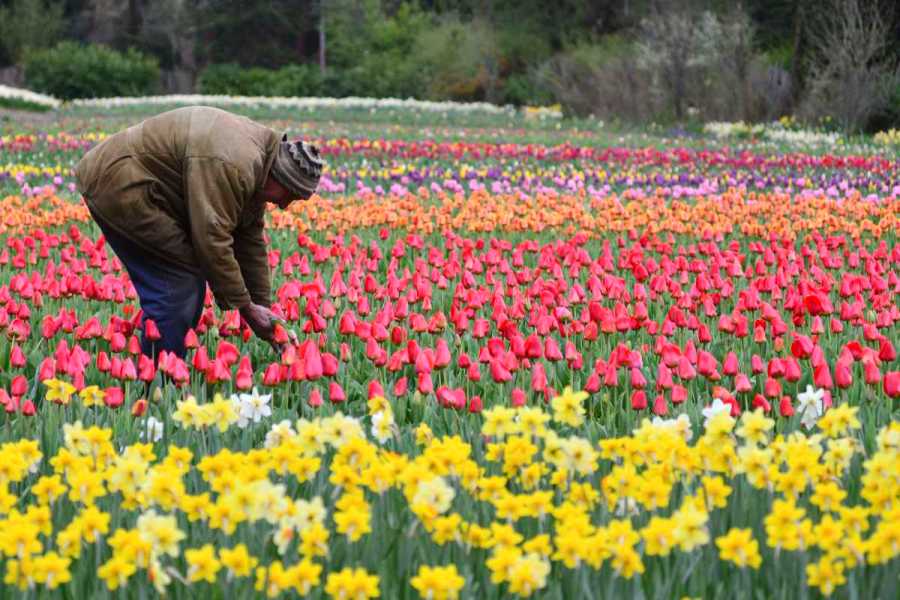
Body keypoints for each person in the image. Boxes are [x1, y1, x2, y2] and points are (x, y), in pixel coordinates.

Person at [74, 105, 323, 358]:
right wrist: (247, 308)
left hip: (140, 185)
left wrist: (264, 311)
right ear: (279, 177)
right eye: (290, 195)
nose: (284, 205)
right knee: (178, 282)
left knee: (184, 281)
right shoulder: (234, 164)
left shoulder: (260, 162)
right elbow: (212, 238)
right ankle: (160, 372)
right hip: (121, 184)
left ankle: (165, 365)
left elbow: (249, 237)